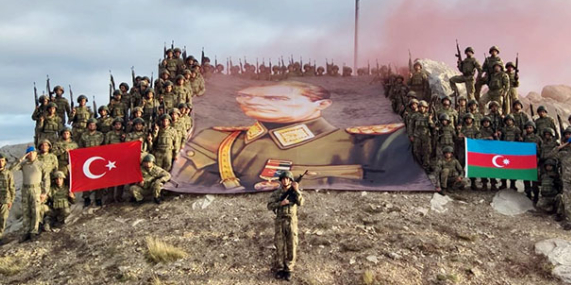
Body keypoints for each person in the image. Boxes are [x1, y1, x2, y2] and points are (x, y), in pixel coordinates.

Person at [174, 81, 419, 190]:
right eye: (247, 96)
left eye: (276, 99)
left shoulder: (367, 145)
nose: (256, 103)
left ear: (322, 104)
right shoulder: (213, 139)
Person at [266, 170, 304, 280]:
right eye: (283, 179)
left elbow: (301, 202)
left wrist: (296, 190)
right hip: (280, 221)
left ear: (291, 180)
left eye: (287, 179)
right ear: (281, 180)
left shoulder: (294, 192)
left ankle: (289, 269)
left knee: (292, 244)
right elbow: (269, 206)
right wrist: (280, 203)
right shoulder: (277, 193)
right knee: (279, 245)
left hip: (291, 220)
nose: (285, 181)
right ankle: (280, 268)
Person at [11, 146, 48, 242]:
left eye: (33, 153)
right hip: (25, 189)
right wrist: (21, 159)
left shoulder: (40, 164)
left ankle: (33, 232)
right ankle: (26, 231)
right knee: (26, 210)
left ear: (36, 153)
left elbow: (46, 179)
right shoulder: (24, 164)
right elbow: (12, 169)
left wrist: (44, 192)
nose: (31, 155)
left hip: (36, 189)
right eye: (29, 153)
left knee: (35, 210)